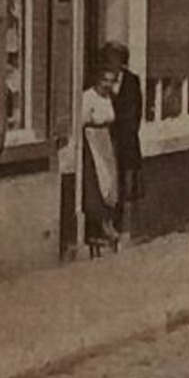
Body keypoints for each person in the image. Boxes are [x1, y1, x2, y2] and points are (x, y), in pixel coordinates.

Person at [99, 41, 145, 231]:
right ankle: (106, 223)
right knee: (107, 181)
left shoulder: (132, 81)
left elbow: (136, 111)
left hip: (125, 139)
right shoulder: (102, 81)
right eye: (108, 61)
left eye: (115, 61)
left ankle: (123, 227)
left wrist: (122, 129)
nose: (112, 65)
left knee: (125, 184)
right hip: (106, 139)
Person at [80, 65, 121, 255]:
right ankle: (96, 227)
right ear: (97, 79)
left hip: (106, 140)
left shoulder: (108, 98)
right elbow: (82, 122)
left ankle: (108, 223)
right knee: (98, 179)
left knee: (110, 181)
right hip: (92, 140)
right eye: (105, 80)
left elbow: (111, 118)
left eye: (112, 81)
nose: (108, 85)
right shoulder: (88, 97)